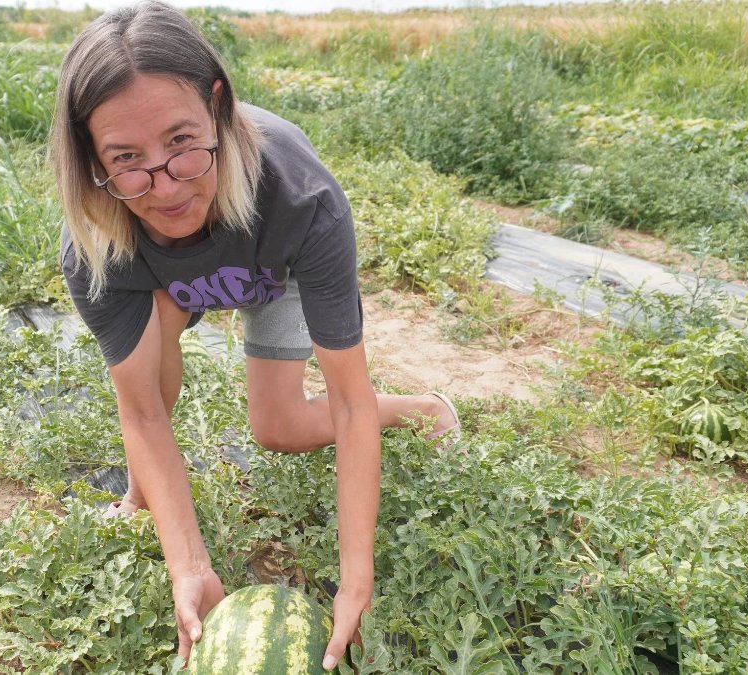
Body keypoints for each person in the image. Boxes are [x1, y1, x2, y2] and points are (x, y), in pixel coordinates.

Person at [51, 2, 460, 669]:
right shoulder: (99, 238)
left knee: (278, 426)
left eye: (182, 141)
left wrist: (356, 576)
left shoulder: (305, 201)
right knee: (149, 366)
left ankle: (419, 409)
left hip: (276, 271)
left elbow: (348, 402)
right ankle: (138, 493)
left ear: (217, 104)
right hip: (168, 280)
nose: (164, 185)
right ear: (90, 157)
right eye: (126, 158)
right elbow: (142, 409)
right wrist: (189, 565)